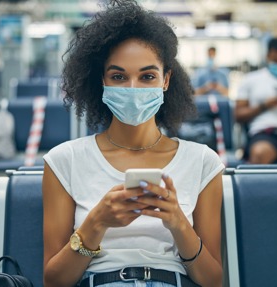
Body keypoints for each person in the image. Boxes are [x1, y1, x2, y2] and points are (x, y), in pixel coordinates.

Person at [42, 1, 224, 287]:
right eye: (118, 76)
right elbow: (54, 282)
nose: (133, 88)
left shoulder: (202, 162)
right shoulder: (64, 160)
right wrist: (96, 223)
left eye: (147, 76)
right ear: (101, 80)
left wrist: (178, 223)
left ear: (166, 80)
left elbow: (213, 281)